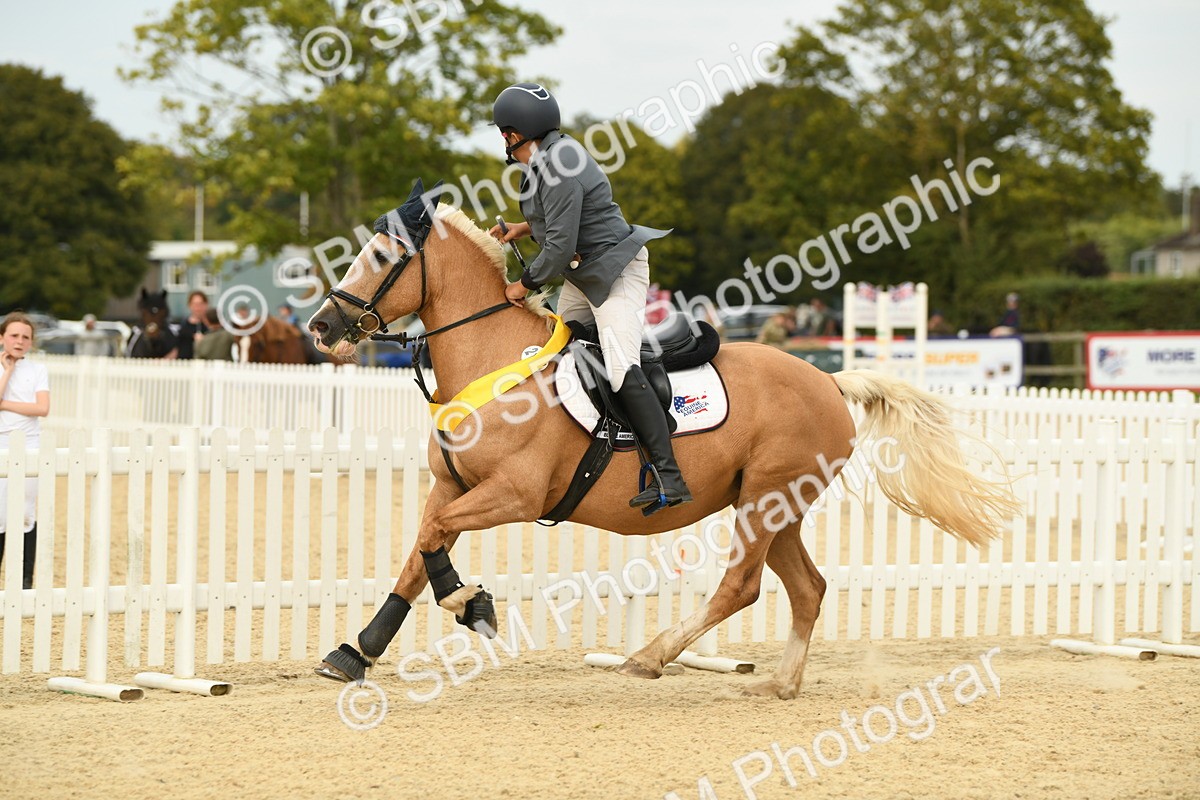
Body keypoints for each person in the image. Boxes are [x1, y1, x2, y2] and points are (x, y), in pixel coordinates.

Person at [487, 82, 690, 512]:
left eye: (505, 133)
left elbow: (559, 248)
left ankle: (670, 477)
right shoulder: (550, 159)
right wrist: (519, 231)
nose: (504, 142)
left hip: (615, 272)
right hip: (584, 275)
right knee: (556, 348)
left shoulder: (558, 162)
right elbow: (557, 221)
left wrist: (521, 286)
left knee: (619, 368)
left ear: (515, 133)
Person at [0, 312, 50, 590]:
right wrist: (7, 370)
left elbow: (42, 408)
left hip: (30, 445)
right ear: (2, 338)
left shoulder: (37, 370)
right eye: (14, 335)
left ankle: (24, 579)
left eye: (25, 337)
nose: (19, 341)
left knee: (25, 511)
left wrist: (5, 405)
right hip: (1, 443)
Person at [176, 291, 209, 359]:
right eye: (195, 304)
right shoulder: (182, 326)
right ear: (190, 305)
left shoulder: (210, 327)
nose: (198, 308)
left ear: (206, 305)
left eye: (201, 304)